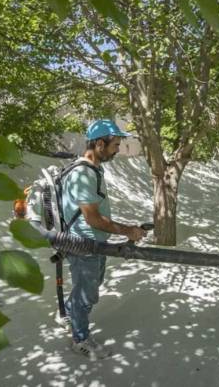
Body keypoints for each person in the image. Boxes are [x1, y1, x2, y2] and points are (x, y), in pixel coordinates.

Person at [62, 119, 146, 360]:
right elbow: (93, 219)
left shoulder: (94, 169)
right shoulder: (82, 174)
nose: (118, 149)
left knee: (89, 289)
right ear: (100, 143)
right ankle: (80, 339)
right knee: (87, 294)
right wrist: (127, 230)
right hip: (83, 244)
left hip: (95, 243)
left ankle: (70, 315)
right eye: (115, 145)